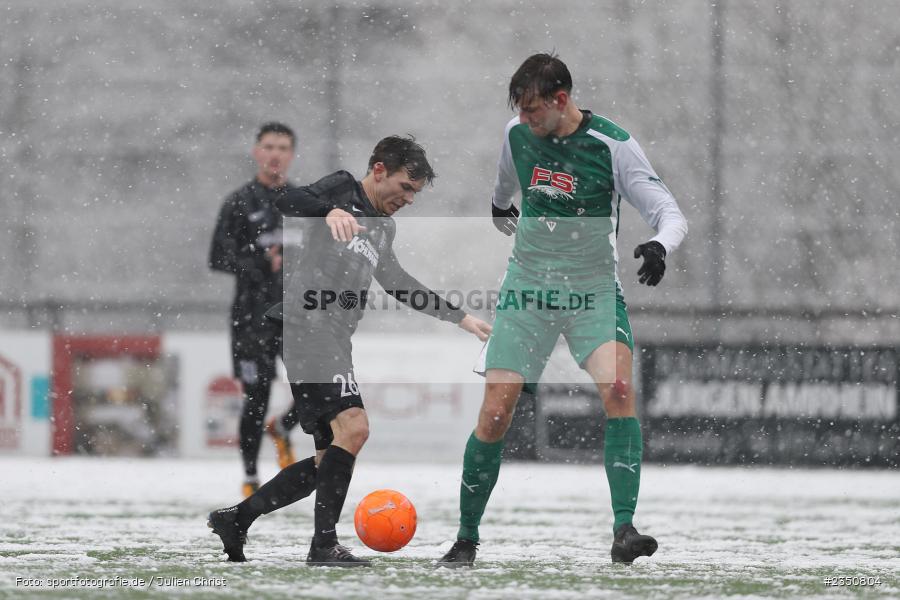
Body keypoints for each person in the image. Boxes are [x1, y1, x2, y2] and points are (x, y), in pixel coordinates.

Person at [437, 53, 688, 567]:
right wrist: (501, 204)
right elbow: (504, 186)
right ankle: (465, 540)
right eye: (520, 112)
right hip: (527, 291)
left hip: (592, 292)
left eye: (533, 111)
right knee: (495, 413)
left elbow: (669, 212)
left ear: (561, 100)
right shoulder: (516, 132)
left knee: (619, 391)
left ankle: (624, 530)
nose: (525, 120)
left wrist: (660, 245)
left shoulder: (613, 145)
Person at [207, 135, 492, 566]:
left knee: (329, 459)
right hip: (307, 326)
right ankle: (323, 546)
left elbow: (398, 283)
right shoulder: (342, 187)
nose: (409, 199)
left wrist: (462, 318)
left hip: (333, 336)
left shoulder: (384, 227)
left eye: (415, 193)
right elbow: (289, 199)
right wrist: (329, 209)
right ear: (379, 170)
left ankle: (239, 519)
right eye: (406, 187)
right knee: (355, 428)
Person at [209, 122, 299, 499]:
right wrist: (259, 261)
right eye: (269, 146)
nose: (275, 153)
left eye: (282, 147)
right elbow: (217, 257)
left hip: (296, 314)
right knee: (256, 396)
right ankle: (250, 475)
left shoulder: (303, 202)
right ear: (256, 152)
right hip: (251, 317)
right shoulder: (239, 202)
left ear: (292, 155)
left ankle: (283, 428)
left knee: (314, 388)